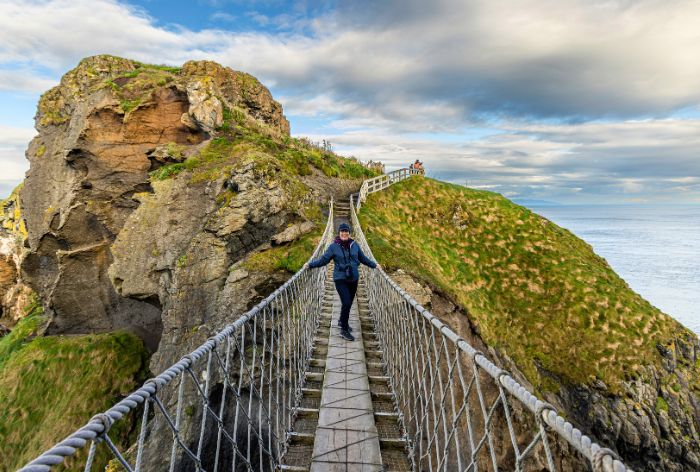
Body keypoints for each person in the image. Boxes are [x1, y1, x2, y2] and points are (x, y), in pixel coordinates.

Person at [304, 223, 381, 341]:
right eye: (342, 231)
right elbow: (324, 260)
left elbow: (363, 258)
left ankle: (341, 321)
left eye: (346, 231)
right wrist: (310, 264)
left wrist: (375, 265)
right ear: (339, 233)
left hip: (354, 278)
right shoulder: (333, 247)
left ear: (349, 233)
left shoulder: (355, 245)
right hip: (340, 278)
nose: (344, 233)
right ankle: (344, 330)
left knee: (349, 302)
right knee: (346, 302)